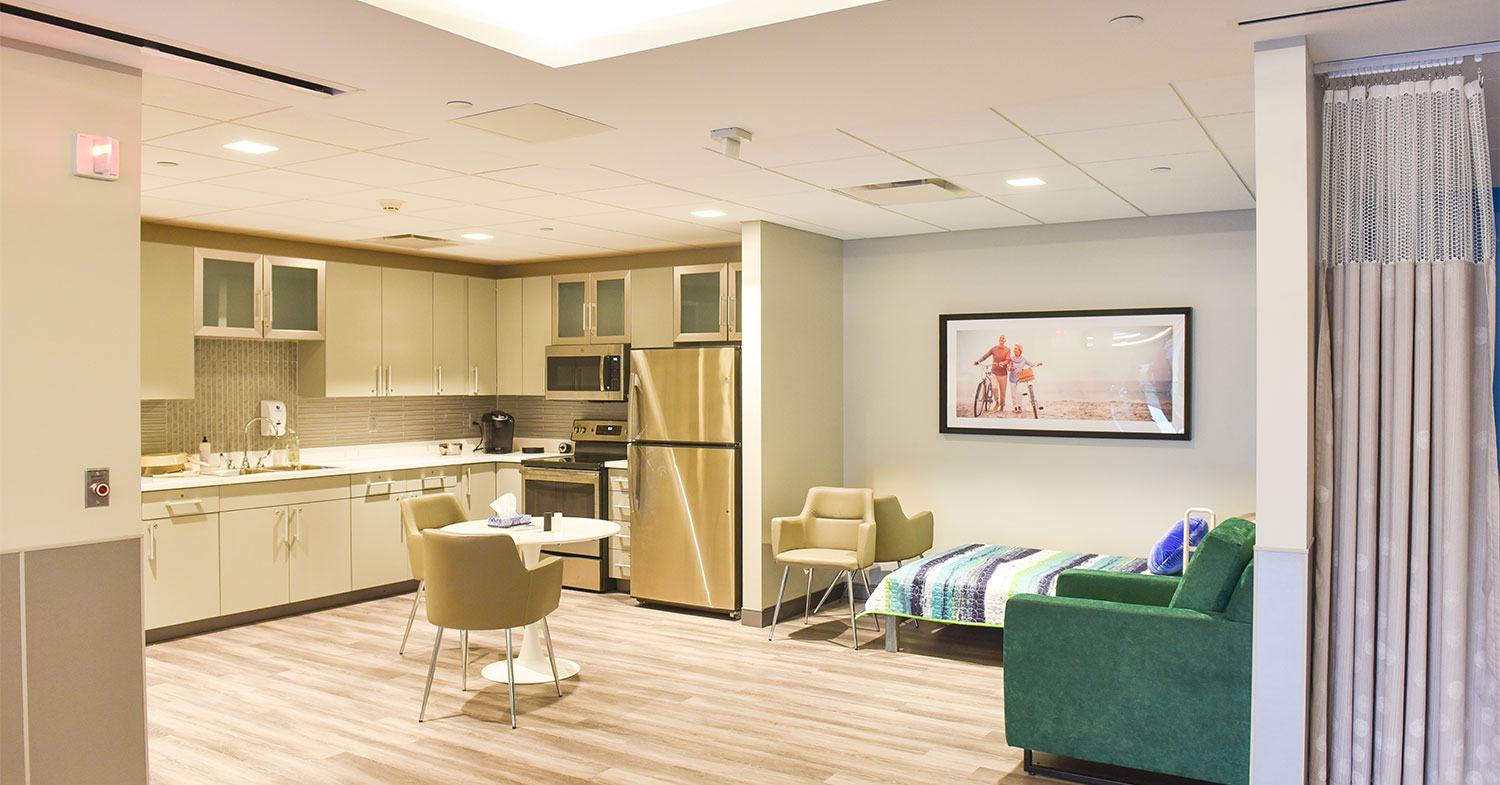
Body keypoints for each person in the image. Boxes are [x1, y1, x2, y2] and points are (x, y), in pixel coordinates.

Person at [973, 334, 1010, 412]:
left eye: (1003, 338)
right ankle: (997, 402)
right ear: (999, 339)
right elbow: (986, 356)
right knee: (994, 387)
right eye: (1000, 338)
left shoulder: (1007, 350)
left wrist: (1003, 363)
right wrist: (978, 361)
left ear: (1005, 340)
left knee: (1003, 391)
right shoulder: (994, 349)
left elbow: (1007, 360)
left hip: (1003, 373)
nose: (1001, 339)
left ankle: (1002, 406)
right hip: (994, 372)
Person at [1008, 344, 1042, 414]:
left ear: (1020, 350)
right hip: (1012, 378)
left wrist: (1037, 364)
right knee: (1013, 394)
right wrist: (1010, 368)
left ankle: (1019, 406)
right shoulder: (1011, 358)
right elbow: (1008, 367)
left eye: (1016, 349)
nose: (1014, 350)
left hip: (1020, 378)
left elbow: (1031, 364)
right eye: (1014, 349)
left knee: (1019, 391)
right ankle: (1015, 407)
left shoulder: (1023, 359)